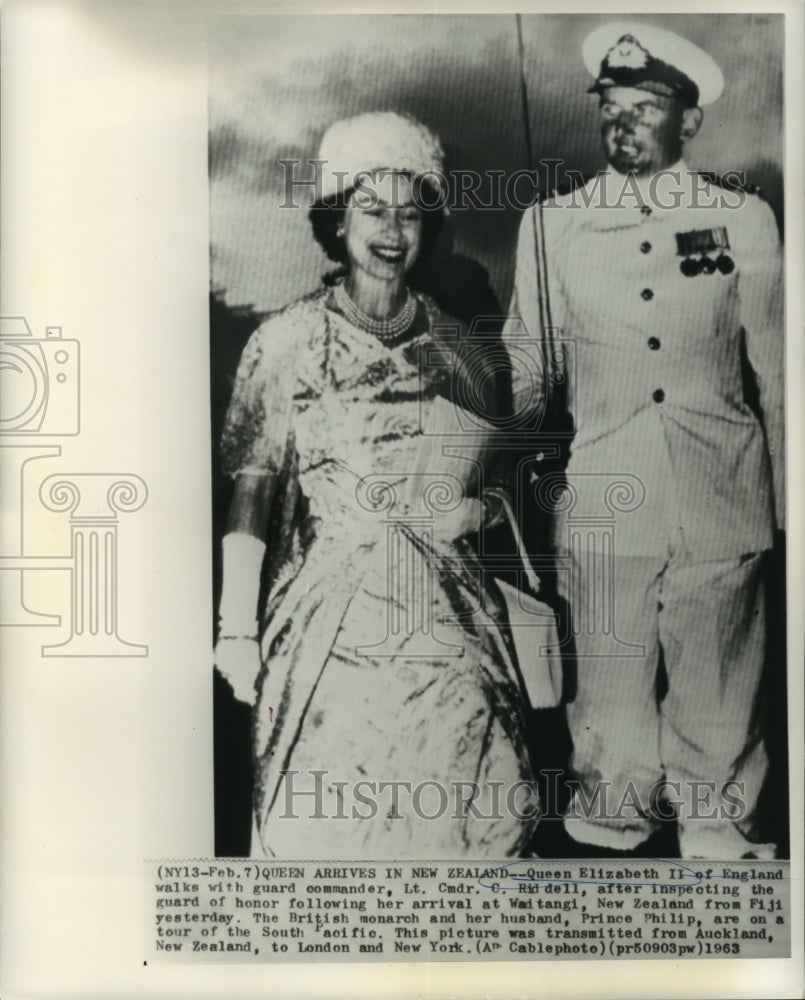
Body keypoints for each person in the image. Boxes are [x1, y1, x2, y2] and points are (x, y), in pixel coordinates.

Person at [215, 111, 539, 859]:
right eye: (371, 208)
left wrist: (475, 512)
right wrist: (235, 629)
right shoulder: (287, 342)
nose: (392, 230)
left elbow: (503, 488)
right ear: (335, 218)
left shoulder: (458, 345)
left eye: (409, 210)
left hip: (447, 609)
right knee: (320, 825)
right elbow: (253, 493)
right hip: (329, 614)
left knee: (483, 812)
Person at [505, 24, 784, 859]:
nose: (621, 125)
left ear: (688, 123)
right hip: (604, 491)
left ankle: (718, 830)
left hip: (722, 487)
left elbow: (777, 369)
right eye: (611, 109)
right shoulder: (550, 226)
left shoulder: (743, 217)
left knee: (718, 680)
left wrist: (792, 503)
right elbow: (529, 361)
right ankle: (608, 825)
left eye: (645, 108)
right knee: (610, 690)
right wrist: (471, 418)